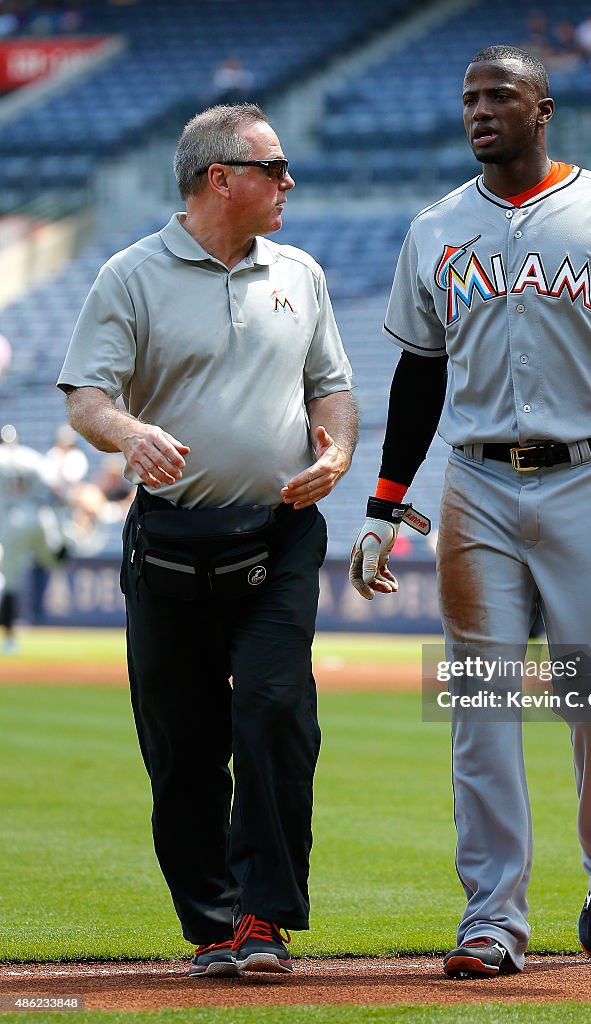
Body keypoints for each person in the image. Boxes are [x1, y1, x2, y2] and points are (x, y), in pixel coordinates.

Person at [349, 45, 591, 978]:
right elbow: (418, 374)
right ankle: (491, 918)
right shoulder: (436, 227)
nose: (480, 110)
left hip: (586, 478)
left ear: (544, 109)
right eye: (469, 97)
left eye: (500, 96)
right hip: (475, 484)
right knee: (479, 705)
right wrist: (384, 505)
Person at [58, 103, 357, 979]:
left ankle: (264, 915)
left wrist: (335, 449)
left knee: (272, 711)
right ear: (220, 177)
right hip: (169, 545)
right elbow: (87, 398)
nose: (289, 184)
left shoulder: (300, 272)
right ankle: (212, 921)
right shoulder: (129, 275)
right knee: (181, 742)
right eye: (275, 167)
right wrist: (126, 433)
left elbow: (330, 388)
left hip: (279, 539)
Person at [0, 424, 69, 653]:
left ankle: (9, 639)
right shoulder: (30, 456)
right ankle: (67, 546)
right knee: (57, 560)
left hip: (10, 520)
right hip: (38, 515)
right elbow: (56, 485)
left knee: (10, 581)